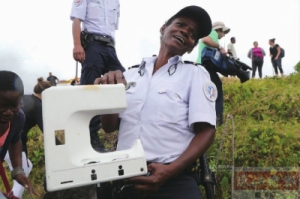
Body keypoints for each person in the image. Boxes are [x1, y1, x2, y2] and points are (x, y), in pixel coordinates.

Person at [95, 6, 216, 199]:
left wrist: (171, 171)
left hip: (174, 183)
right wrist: (108, 93)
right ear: (163, 28)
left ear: (191, 46)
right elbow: (109, 126)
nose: (185, 31)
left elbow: (207, 131)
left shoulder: (195, 74)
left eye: (192, 33)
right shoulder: (130, 74)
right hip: (126, 182)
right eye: (180, 24)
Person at [70, 0, 125, 152]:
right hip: (93, 45)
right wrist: (77, 45)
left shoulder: (115, 2)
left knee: (123, 85)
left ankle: (124, 134)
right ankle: (91, 136)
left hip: (110, 47)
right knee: (90, 89)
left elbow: (111, 28)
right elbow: (77, 20)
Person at [3, 77, 53, 198]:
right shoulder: (38, 106)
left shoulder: (26, 98)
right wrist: (60, 143)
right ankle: (15, 196)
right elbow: (47, 130)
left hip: (12, 141)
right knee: (22, 178)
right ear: (47, 94)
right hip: (13, 145)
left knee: (28, 165)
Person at [0, 71, 38, 197]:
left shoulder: (17, 118)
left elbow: (15, 140)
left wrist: (18, 170)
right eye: (2, 106)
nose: (9, 112)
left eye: (14, 106)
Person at [196, 21, 230, 125]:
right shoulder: (213, 33)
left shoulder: (213, 37)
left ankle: (203, 119)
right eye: (223, 32)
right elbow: (205, 39)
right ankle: (218, 121)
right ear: (219, 30)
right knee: (217, 92)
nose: (223, 35)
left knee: (203, 94)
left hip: (200, 67)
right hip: (205, 67)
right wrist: (220, 47)